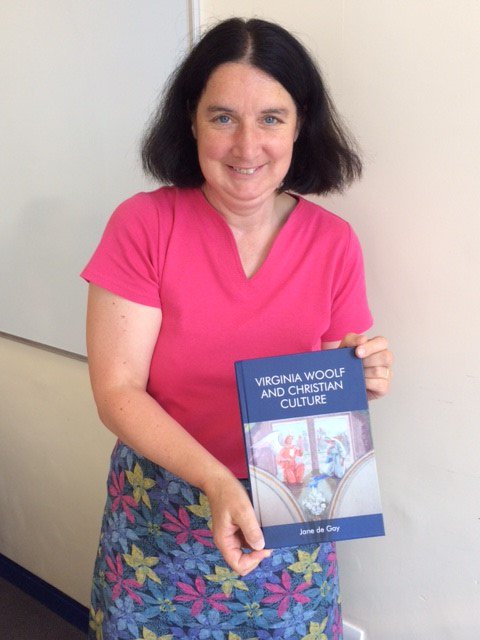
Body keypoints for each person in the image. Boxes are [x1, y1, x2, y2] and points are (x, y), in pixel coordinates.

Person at [82, 17, 393, 640]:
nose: (247, 146)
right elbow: (117, 391)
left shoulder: (334, 244)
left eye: (271, 118)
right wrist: (218, 481)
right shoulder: (145, 225)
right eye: (222, 117)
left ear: (301, 125)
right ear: (190, 121)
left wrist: (361, 375)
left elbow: (328, 391)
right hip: (164, 513)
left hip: (294, 508)